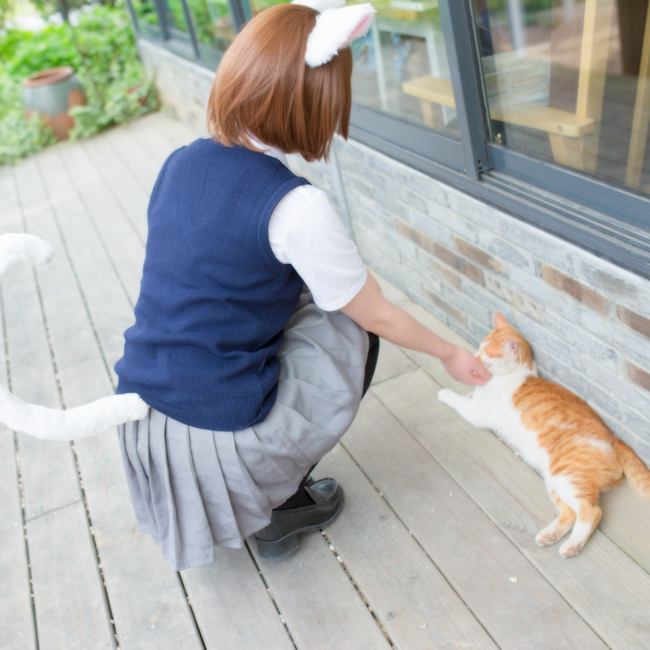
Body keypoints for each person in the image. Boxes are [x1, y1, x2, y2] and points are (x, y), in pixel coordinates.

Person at [113, 1, 491, 571]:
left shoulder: (181, 161)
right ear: (313, 101)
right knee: (355, 322)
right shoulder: (295, 206)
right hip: (220, 428)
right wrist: (451, 353)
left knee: (321, 292)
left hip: (145, 417)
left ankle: (256, 495)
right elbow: (376, 315)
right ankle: (281, 502)